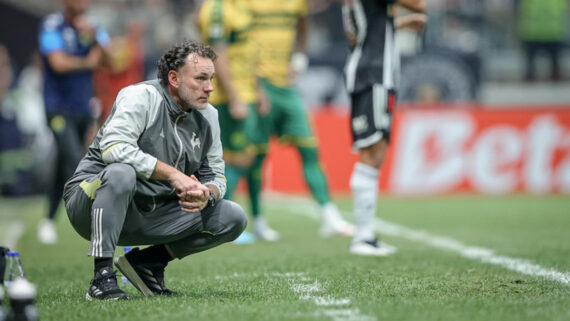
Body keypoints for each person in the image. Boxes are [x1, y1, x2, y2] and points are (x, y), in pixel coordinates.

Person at [62, 40, 247, 300]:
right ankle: (101, 277)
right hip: (90, 203)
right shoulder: (140, 96)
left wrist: (208, 193)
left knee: (233, 216)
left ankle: (147, 263)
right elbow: (114, 148)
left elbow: (216, 172)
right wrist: (173, 174)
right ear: (174, 78)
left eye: (212, 78)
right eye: (201, 78)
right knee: (121, 172)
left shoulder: (209, 116)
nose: (210, 87)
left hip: (151, 211)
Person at [246, 0, 354, 241]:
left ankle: (329, 217)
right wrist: (252, 81)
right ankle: (258, 221)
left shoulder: (296, 3)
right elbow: (241, 42)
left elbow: (302, 26)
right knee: (257, 156)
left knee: (309, 149)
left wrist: (300, 58)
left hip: (288, 87)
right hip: (260, 86)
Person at [342, 0, 425, 256]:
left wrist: (396, 23)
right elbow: (418, 5)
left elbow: (359, 32)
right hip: (374, 74)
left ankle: (366, 235)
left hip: (370, 71)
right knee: (373, 151)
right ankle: (363, 237)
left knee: (375, 150)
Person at [37, 0, 112, 244]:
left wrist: (96, 41)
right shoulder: (52, 26)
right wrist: (88, 61)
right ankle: (92, 219)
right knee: (72, 158)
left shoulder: (93, 28)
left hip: (83, 107)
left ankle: (48, 221)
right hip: (57, 107)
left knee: (63, 164)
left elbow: (111, 61)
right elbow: (57, 64)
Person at [197, 0, 273, 240]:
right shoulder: (217, 9)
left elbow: (249, 52)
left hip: (247, 92)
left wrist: (258, 89)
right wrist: (234, 97)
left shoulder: (241, 6)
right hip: (228, 96)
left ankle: (248, 221)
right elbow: (216, 56)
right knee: (234, 160)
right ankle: (223, 225)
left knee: (250, 157)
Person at [517, 0, 568, 82]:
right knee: (555, 67)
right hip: (552, 33)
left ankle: (529, 83)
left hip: (533, 33)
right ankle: (555, 81)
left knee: (530, 67)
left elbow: (522, 12)